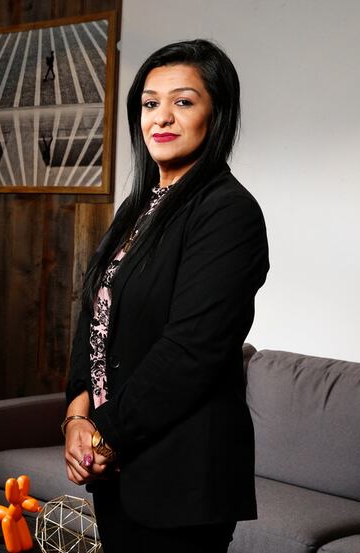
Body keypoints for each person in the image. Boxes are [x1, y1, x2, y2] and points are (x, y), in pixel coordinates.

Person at [62, 39, 269, 552]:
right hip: (119, 471)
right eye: (150, 103)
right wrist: (75, 415)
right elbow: (96, 322)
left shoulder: (229, 213)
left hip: (183, 476)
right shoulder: (136, 210)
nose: (162, 117)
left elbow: (190, 351)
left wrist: (104, 435)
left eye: (183, 101)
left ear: (215, 114)